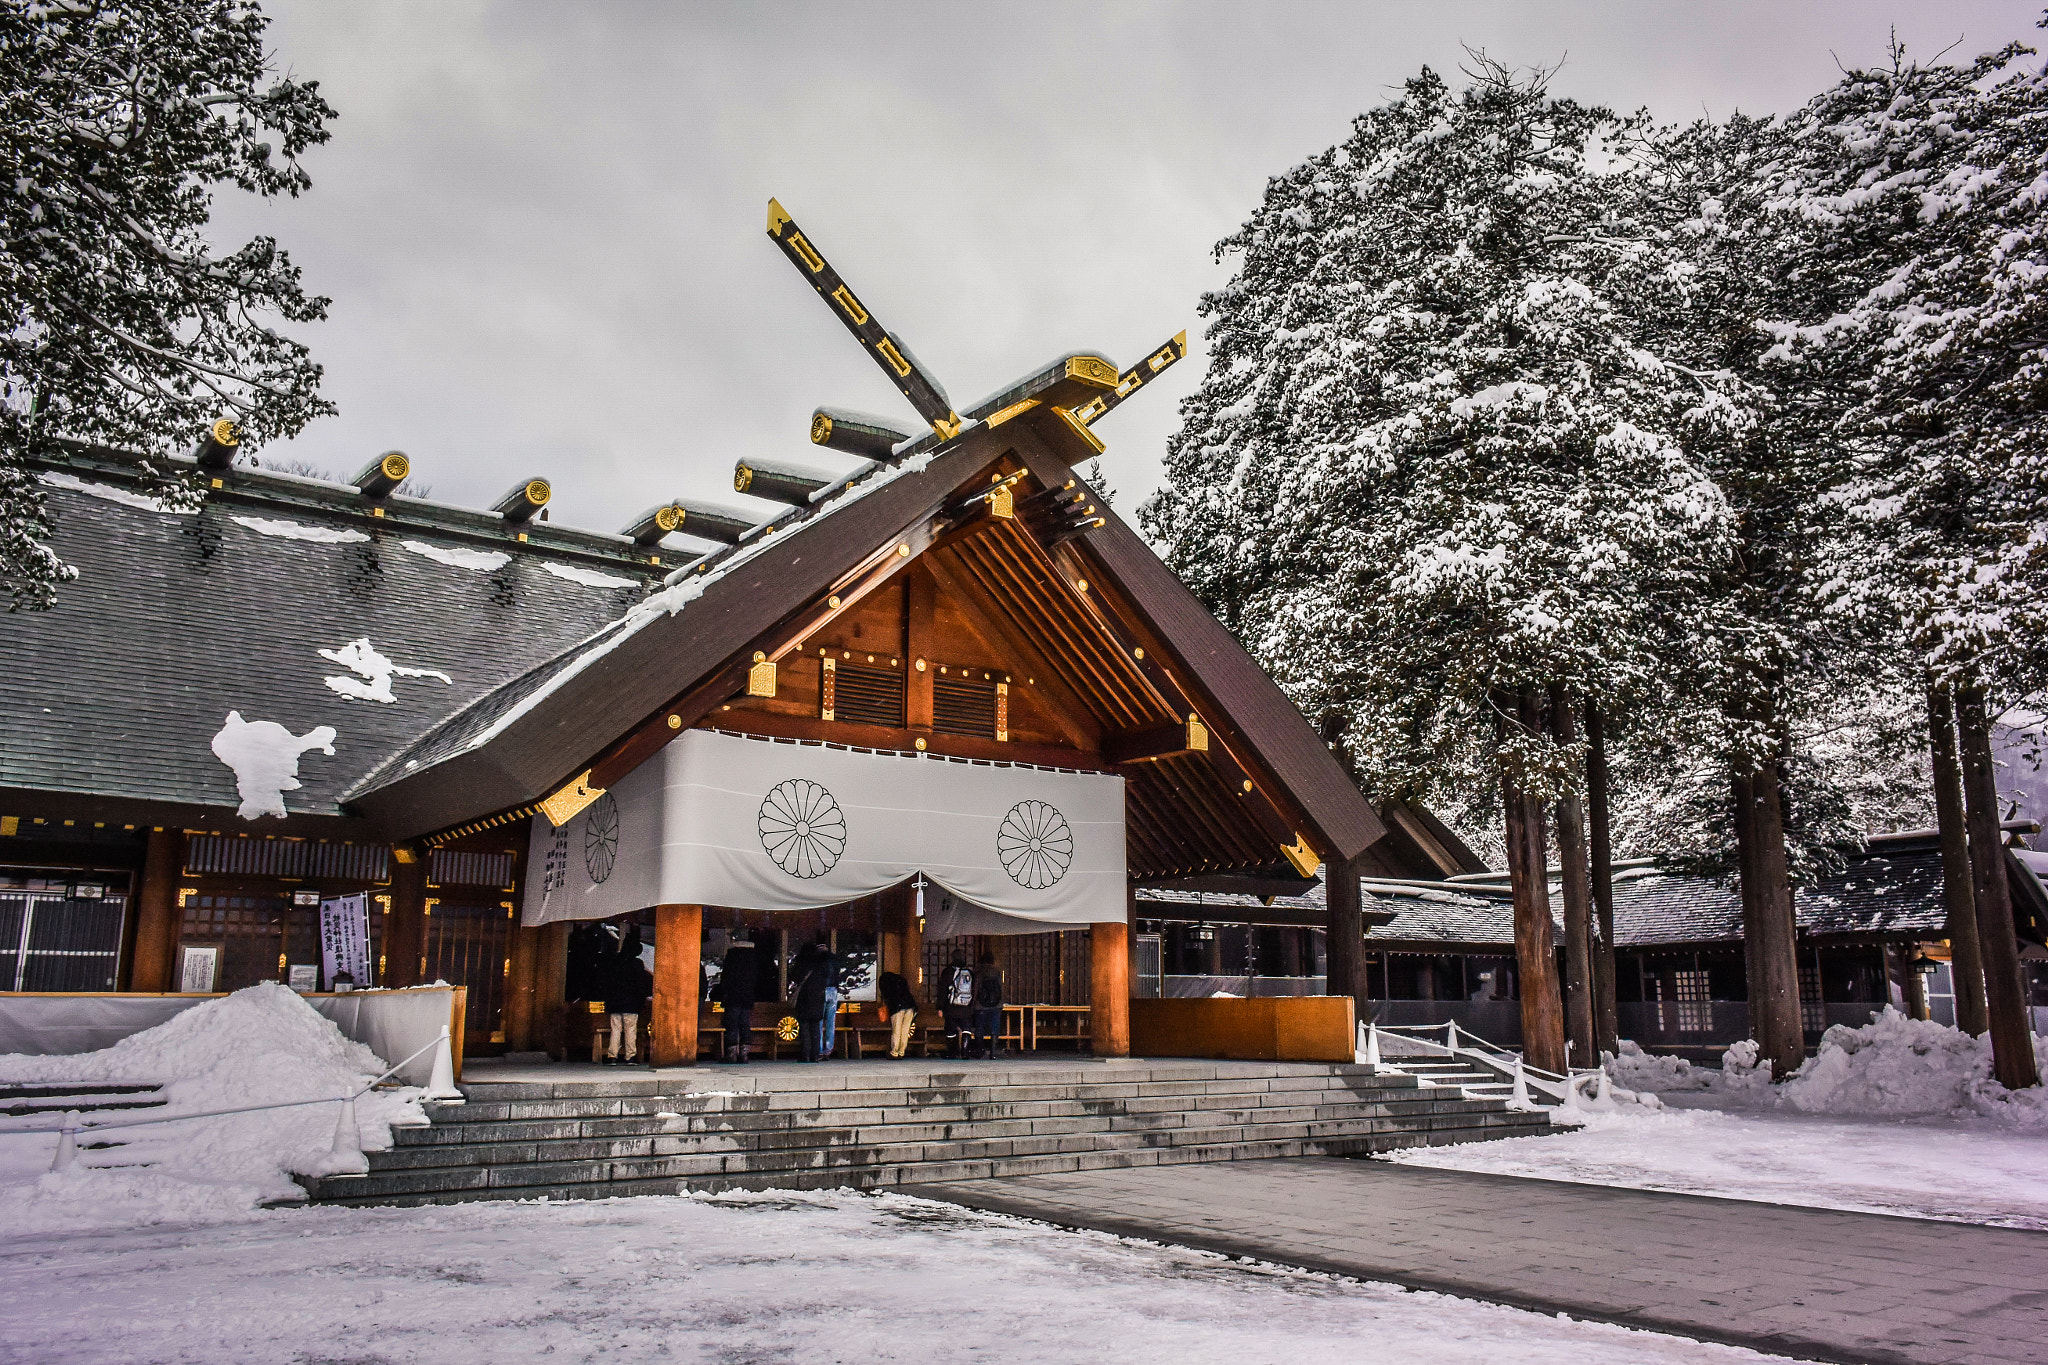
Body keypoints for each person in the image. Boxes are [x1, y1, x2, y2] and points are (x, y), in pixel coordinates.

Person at [603, 925, 653, 1066]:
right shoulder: (637, 964)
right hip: (631, 1003)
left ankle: (612, 1056)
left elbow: (609, 982)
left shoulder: (615, 962)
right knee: (630, 1030)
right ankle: (630, 1056)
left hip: (615, 1002)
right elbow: (641, 984)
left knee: (616, 1029)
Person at [715, 931, 757, 1064]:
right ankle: (744, 1054)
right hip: (748, 996)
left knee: (732, 1024)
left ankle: (732, 1053)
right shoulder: (753, 956)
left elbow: (726, 977)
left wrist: (724, 993)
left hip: (733, 996)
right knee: (745, 1024)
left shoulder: (732, 955)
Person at [792, 941, 830, 1063]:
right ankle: (815, 1054)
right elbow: (827, 978)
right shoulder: (821, 964)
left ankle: (805, 1054)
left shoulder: (802, 963)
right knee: (815, 1028)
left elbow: (794, 976)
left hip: (804, 998)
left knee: (804, 1028)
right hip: (818, 999)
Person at [938, 950, 975, 1058]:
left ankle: (952, 1053)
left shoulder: (948, 972)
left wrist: (940, 1007)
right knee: (966, 1029)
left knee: (950, 1030)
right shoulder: (969, 972)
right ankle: (965, 1052)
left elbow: (942, 991)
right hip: (966, 1006)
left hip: (951, 1006)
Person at [877, 968, 920, 1059]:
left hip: (897, 1006)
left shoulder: (886, 983)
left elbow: (886, 995)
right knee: (905, 1030)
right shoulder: (901, 980)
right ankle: (901, 1052)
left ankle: (894, 1052)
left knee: (897, 1030)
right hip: (910, 1005)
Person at [970, 951, 1004, 1060]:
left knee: (979, 1028)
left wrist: (973, 1002)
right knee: (995, 1028)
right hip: (996, 1004)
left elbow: (975, 988)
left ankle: (980, 1051)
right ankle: (993, 1053)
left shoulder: (978, 971)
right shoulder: (997, 971)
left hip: (981, 1005)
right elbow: (1001, 988)